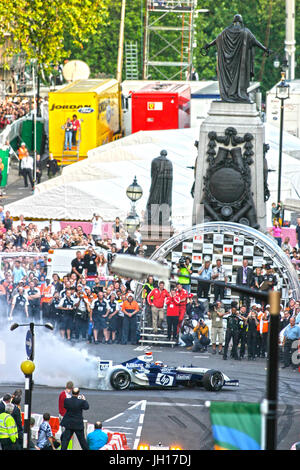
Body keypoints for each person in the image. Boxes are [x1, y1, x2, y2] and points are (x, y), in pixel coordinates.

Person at [203, 14, 271, 103]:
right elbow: (255, 42)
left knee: (228, 79)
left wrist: (208, 45)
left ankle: (228, 94)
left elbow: (217, 40)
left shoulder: (225, 32)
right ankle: (239, 94)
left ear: (233, 21)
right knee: (240, 78)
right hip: (240, 63)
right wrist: (265, 49)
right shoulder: (245, 32)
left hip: (228, 64)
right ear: (241, 21)